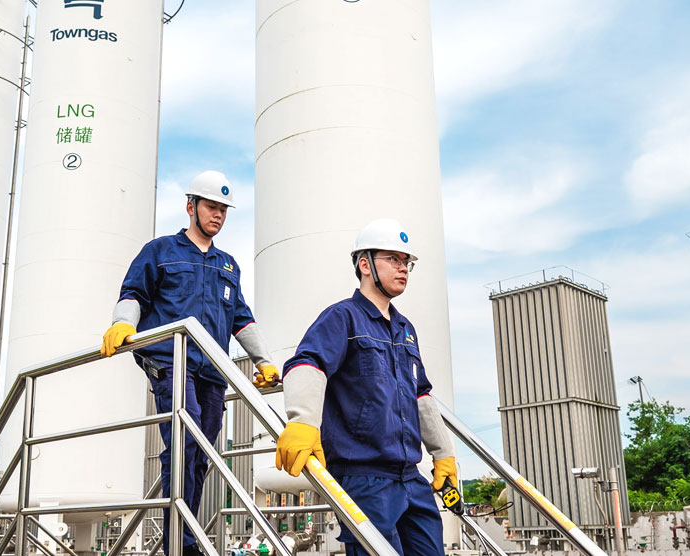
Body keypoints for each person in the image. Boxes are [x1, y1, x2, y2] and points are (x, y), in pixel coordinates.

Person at [101, 170, 283, 555]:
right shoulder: (160, 251)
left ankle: (185, 535)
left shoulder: (227, 265)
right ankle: (181, 545)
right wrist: (121, 323)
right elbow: (134, 293)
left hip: (212, 372)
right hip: (172, 363)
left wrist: (264, 361)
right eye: (211, 206)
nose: (217, 215)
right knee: (185, 441)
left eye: (223, 209)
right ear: (191, 206)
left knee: (200, 454)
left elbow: (241, 318)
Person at [271, 218, 456, 556]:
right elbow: (307, 364)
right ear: (365, 264)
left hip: (410, 476)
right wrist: (302, 421)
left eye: (406, 262)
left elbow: (421, 395)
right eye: (393, 259)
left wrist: (443, 454)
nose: (403, 268)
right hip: (364, 476)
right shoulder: (342, 317)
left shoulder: (405, 329)